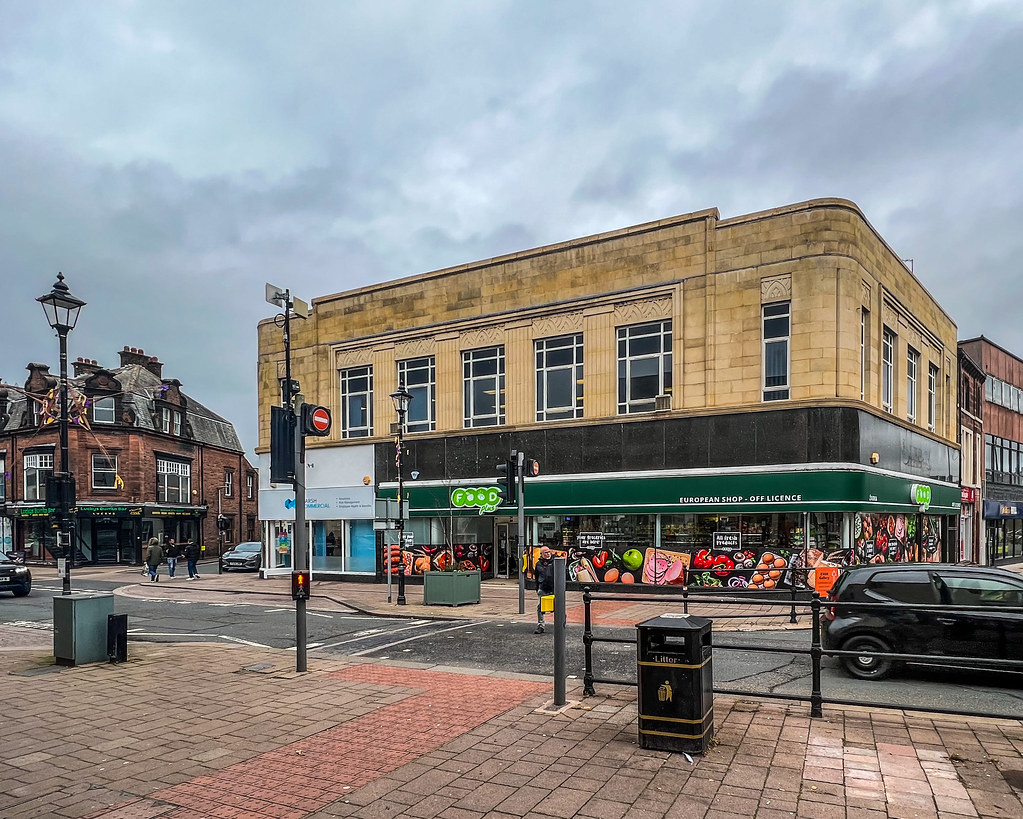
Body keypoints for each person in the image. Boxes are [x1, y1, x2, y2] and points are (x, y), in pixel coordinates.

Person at [534, 546, 555, 634]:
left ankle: (561, 624)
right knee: (541, 608)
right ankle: (541, 626)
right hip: (543, 587)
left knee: (558, 607)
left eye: (549, 552)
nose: (548, 554)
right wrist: (537, 588)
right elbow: (537, 576)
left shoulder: (555, 562)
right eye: (546, 552)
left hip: (554, 588)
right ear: (541, 554)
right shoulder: (538, 564)